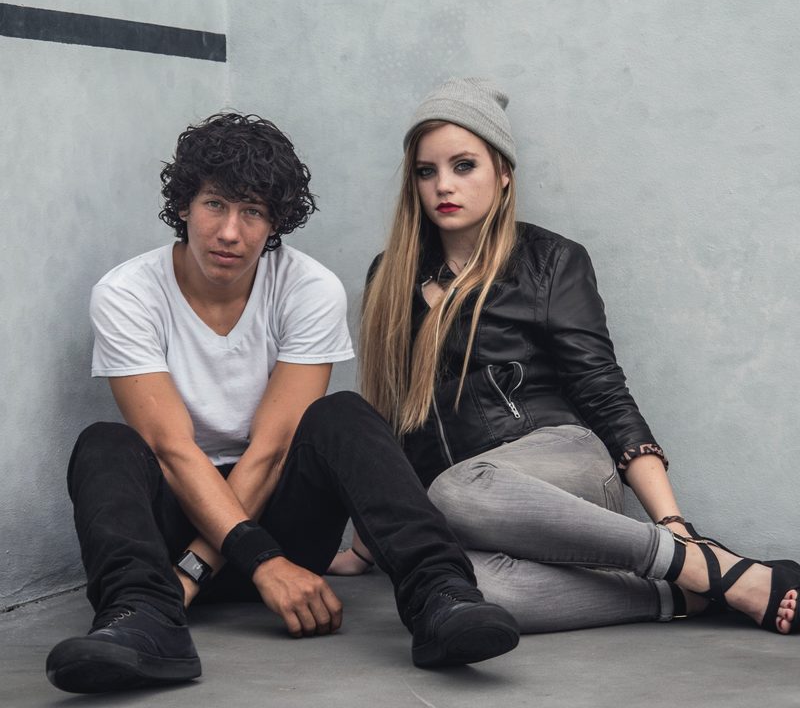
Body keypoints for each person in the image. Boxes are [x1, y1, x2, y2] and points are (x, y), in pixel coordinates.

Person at [45, 112, 521, 694]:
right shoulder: (127, 293)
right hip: (169, 545)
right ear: (184, 205)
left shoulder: (308, 288)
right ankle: (140, 619)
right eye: (215, 204)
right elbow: (170, 450)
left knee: (341, 414)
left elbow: (273, 450)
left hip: (280, 526)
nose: (230, 232)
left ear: (276, 222)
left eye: (253, 212)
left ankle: (441, 595)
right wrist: (233, 567)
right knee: (104, 444)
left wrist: (224, 567)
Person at [333, 78, 799, 637]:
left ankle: (703, 564)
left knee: (458, 490)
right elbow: (391, 416)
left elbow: (603, 390)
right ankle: (685, 595)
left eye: (464, 166)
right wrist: (366, 545)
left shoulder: (551, 260)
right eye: (426, 171)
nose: (443, 186)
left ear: (503, 172)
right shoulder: (391, 277)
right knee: (459, 584)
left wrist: (673, 521)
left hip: (562, 461)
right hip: (469, 506)